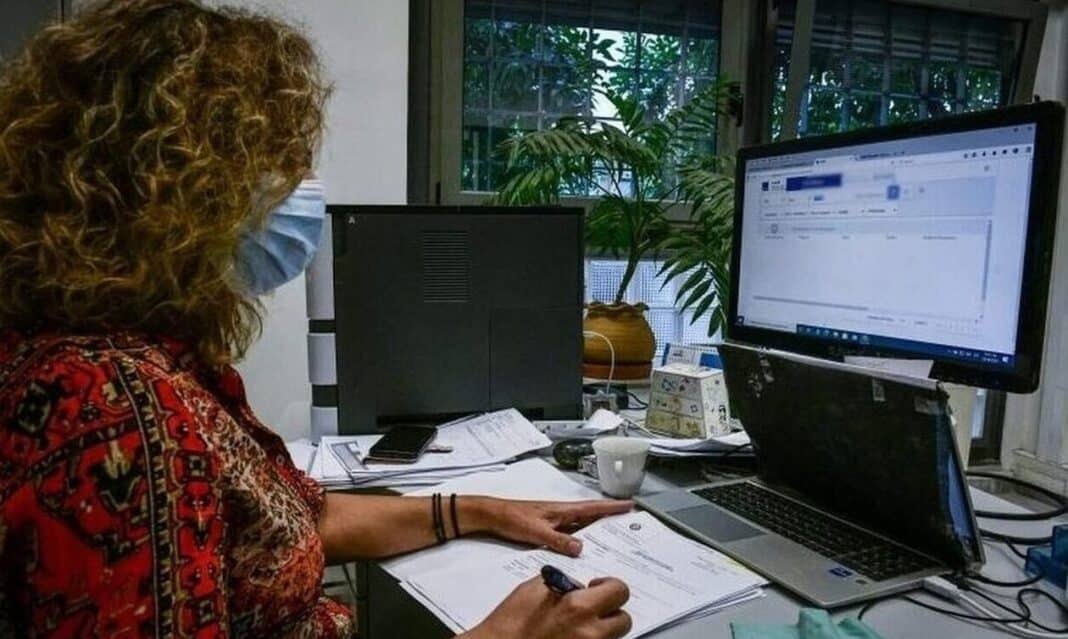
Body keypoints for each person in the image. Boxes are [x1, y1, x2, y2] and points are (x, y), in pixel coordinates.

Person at [0, 1, 633, 637]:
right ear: (179, 187)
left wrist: (481, 510)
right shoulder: (109, 407)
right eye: (278, 160)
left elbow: (299, 521)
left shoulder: (140, 357)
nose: (302, 185)